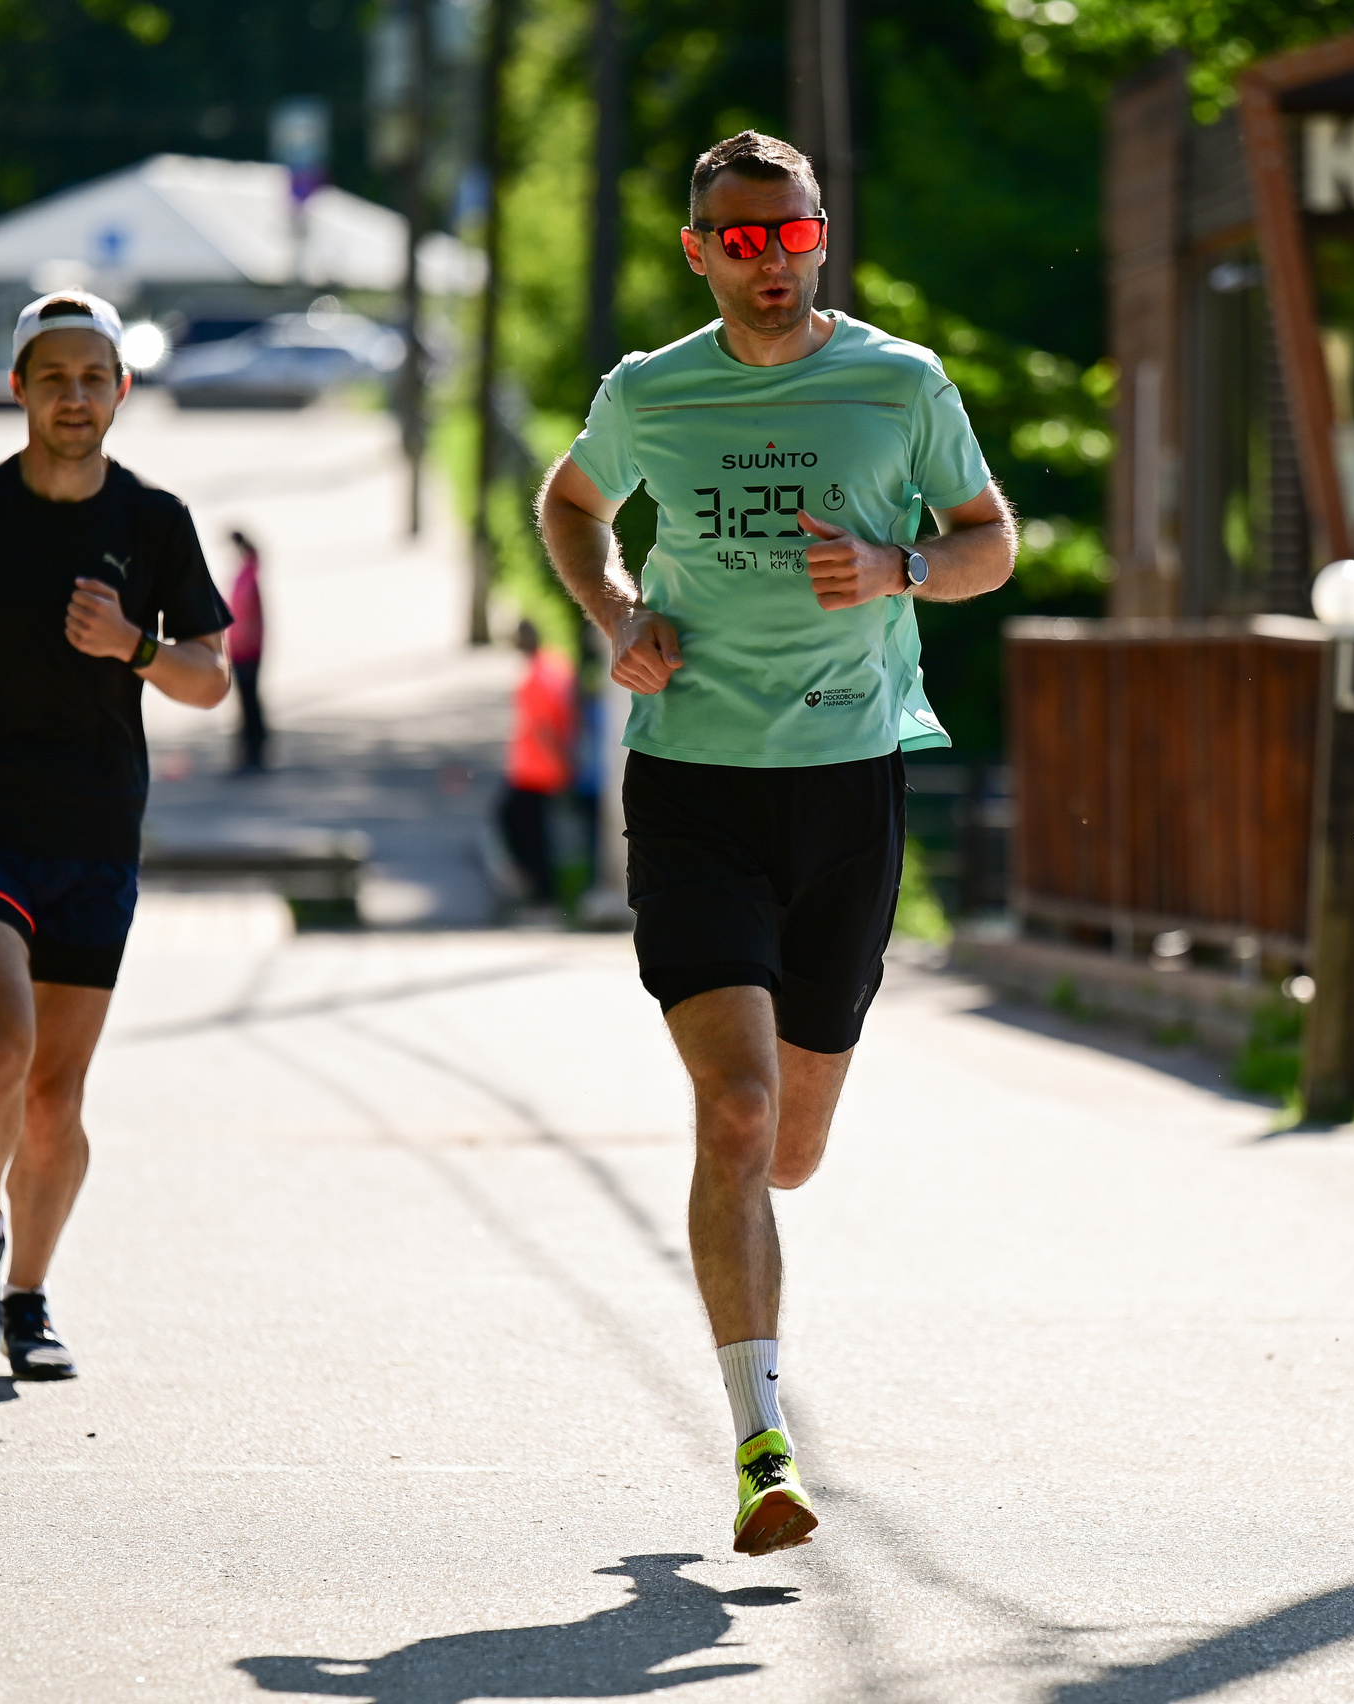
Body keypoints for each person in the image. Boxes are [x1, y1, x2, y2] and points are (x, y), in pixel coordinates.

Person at [536, 130, 1015, 1555]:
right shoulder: (650, 392)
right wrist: (619, 617)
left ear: (822, 236)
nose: (765, 262)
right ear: (699, 252)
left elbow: (992, 538)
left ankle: (760, 1264)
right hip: (691, 784)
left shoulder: (899, 383)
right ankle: (761, 1445)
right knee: (735, 1112)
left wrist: (903, 566)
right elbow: (572, 506)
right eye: (736, 241)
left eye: (787, 236)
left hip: (848, 785)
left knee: (789, 1146)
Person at [0, 292, 232, 1382]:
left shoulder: (154, 524)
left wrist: (133, 647)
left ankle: (27, 1294)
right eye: (53, 376)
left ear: (123, 388)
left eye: (94, 376)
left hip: (99, 832)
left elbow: (210, 677)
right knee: (0, 1047)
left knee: (57, 1098)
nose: (75, 396)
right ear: (18, 387)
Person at [497, 616, 576, 906]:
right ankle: (542, 888)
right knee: (535, 829)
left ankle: (541, 890)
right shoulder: (554, 665)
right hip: (543, 766)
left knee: (524, 829)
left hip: (534, 768)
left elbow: (543, 727)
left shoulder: (534, 676)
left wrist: (561, 762)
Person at [226, 529, 269, 772]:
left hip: (247, 650)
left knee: (249, 702)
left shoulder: (248, 577)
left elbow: (246, 616)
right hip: (243, 647)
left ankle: (253, 750)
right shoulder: (245, 574)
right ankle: (250, 749)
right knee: (247, 702)